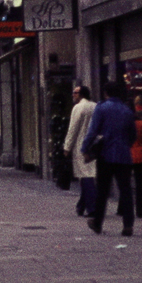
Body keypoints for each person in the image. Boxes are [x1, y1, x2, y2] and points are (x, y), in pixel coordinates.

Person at [86, 82, 139, 236]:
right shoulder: (127, 110)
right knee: (126, 190)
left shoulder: (101, 108)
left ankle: (97, 223)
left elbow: (93, 130)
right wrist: (125, 145)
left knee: (102, 191)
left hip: (106, 155)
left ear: (105, 93)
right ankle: (128, 225)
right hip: (124, 156)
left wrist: (85, 148)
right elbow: (132, 135)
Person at [62, 84, 97, 217]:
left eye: (75, 93)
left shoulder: (78, 108)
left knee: (86, 176)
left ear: (81, 94)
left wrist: (67, 147)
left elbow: (73, 129)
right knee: (88, 174)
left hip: (81, 146)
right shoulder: (95, 106)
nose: (73, 95)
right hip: (94, 146)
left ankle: (91, 207)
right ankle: (81, 206)